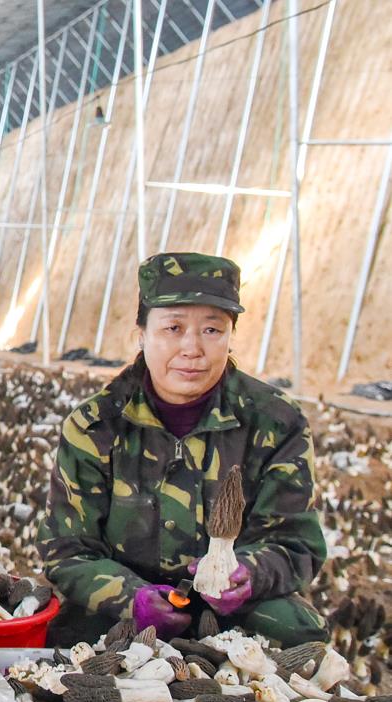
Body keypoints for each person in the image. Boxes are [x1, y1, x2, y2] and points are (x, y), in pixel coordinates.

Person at [39, 252, 329, 645]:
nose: (192, 348)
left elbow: (297, 543)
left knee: (298, 632)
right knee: (67, 642)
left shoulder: (276, 422)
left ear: (230, 335)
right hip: (124, 604)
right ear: (142, 333)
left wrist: (248, 574)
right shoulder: (96, 425)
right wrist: (131, 598)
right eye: (173, 328)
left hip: (233, 607)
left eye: (212, 330)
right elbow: (68, 548)